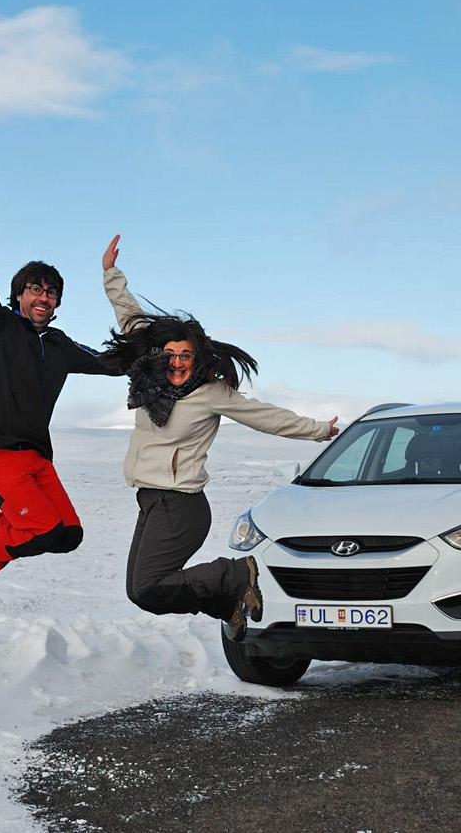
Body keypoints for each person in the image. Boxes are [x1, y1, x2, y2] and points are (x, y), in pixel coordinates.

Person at [99, 234, 340, 641]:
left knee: (147, 588)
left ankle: (233, 574)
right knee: (139, 590)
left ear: (198, 359)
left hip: (181, 505)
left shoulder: (211, 394)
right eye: (171, 354)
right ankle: (230, 602)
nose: (177, 362)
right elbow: (133, 321)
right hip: (151, 499)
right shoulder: (151, 381)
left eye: (186, 356)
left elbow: (265, 417)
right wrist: (111, 275)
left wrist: (319, 430)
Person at [0, 166, 118, 612]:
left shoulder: (60, 346)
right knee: (40, 528)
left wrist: (163, 351)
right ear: (18, 295)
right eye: (35, 289)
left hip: (36, 455)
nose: (44, 297)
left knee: (67, 535)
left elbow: (111, 362)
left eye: (52, 292)